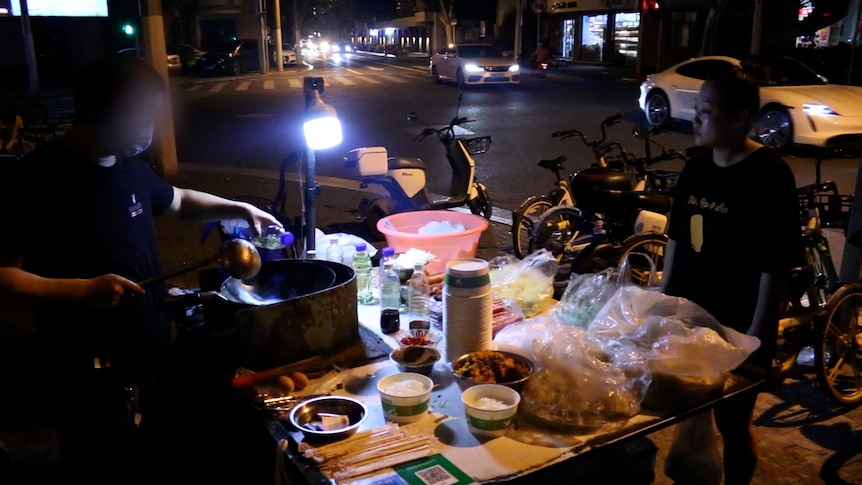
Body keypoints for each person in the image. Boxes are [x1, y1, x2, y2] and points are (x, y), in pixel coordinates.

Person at [0, 55, 281, 483]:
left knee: (158, 462)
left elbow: (180, 202)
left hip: (151, 357)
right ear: (99, 111)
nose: (148, 129)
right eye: (140, 116)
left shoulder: (127, 166)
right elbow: (3, 277)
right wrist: (79, 292)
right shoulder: (35, 181)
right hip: (89, 376)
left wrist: (241, 208)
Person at [660, 62, 802, 485]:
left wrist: (755, 344)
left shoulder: (770, 175)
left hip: (738, 325)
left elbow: (773, 266)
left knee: (733, 423)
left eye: (707, 109)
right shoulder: (696, 168)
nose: (696, 118)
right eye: (697, 108)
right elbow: (676, 241)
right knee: (683, 410)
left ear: (741, 117)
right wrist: (662, 305)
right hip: (689, 318)